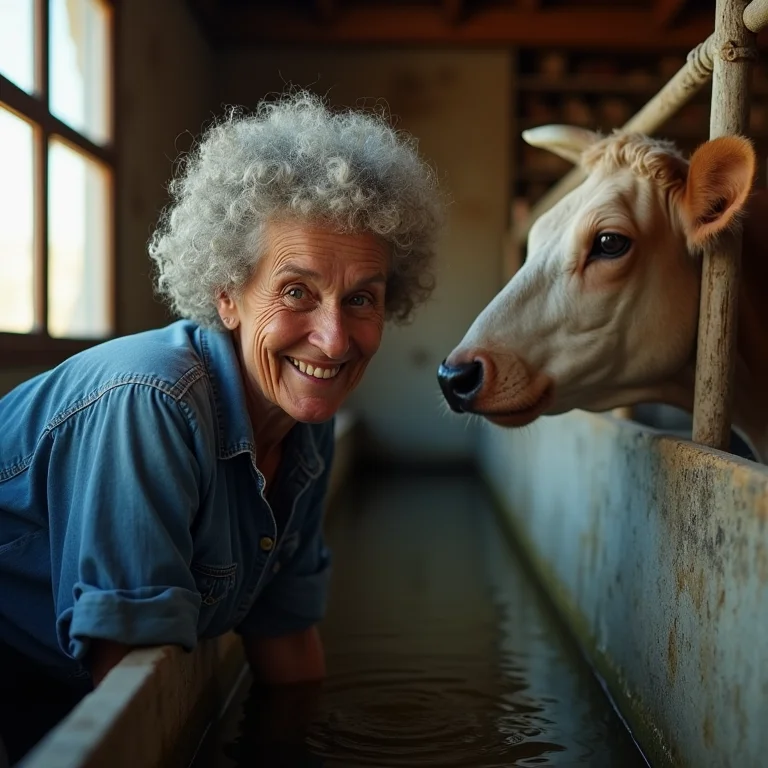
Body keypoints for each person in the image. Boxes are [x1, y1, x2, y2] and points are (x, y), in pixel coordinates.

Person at [0, 90, 444, 763]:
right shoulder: (153, 404)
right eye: (297, 292)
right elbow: (132, 694)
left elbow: (286, 639)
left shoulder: (302, 419)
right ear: (228, 296)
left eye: (361, 299)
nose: (332, 341)